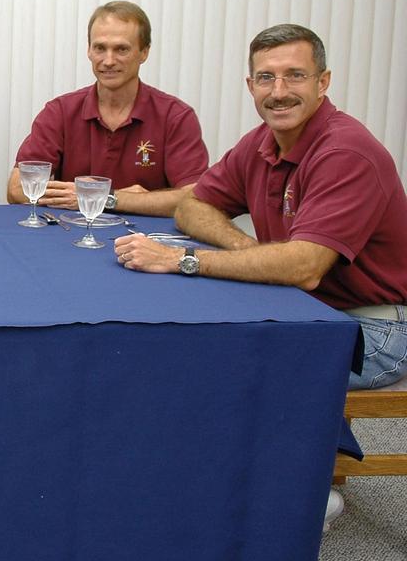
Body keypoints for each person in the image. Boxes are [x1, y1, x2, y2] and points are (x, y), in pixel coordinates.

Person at [115, 24, 407, 390]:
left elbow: (304, 268)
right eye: (266, 77)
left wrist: (180, 259)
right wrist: (247, 249)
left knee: (212, 369)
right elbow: (191, 205)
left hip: (369, 327)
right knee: (177, 338)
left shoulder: (346, 152)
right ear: (251, 86)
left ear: (323, 82)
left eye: (295, 75)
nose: (279, 92)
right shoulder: (261, 142)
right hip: (298, 307)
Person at [7, 0, 208, 216]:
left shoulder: (175, 117)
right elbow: (17, 189)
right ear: (89, 51)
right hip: (72, 232)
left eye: (121, 49)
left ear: (144, 52)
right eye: (100, 48)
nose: (109, 60)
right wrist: (134, 199)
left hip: (145, 235)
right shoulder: (60, 112)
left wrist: (108, 197)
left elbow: (195, 199)